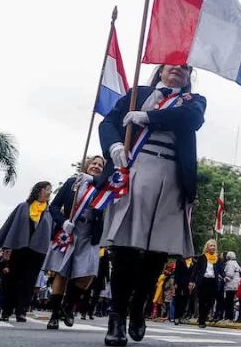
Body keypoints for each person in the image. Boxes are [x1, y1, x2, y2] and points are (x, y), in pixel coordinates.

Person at [98, 63, 207, 346]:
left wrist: (148, 117)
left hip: (172, 175)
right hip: (136, 169)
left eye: (185, 68)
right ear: (160, 70)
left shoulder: (193, 101)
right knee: (125, 249)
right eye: (173, 65)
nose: (178, 70)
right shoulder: (138, 93)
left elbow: (190, 119)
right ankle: (117, 314)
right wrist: (113, 146)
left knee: (157, 253)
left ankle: (139, 308)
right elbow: (108, 122)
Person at [44, 155, 105, 329]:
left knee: (88, 275)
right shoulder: (73, 182)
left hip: (90, 234)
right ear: (87, 165)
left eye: (100, 165)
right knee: (62, 273)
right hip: (69, 232)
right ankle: (55, 315)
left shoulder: (104, 187)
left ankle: (68, 306)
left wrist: (94, 180)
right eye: (94, 163)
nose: (96, 166)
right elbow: (54, 206)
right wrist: (63, 221)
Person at [0, 181, 54, 322]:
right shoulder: (23, 207)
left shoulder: (50, 211)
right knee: (12, 280)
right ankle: (6, 311)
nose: (49, 192)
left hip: (37, 252)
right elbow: (11, 226)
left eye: (50, 190)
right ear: (38, 190)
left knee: (29, 282)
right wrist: (7, 247)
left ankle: (22, 311)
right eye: (47, 189)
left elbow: (52, 232)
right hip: (19, 248)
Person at [190, 240, 223, 328]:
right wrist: (192, 281)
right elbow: (196, 270)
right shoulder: (202, 257)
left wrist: (221, 275)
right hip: (203, 281)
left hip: (213, 282)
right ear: (207, 247)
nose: (213, 247)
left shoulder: (218, 259)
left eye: (214, 246)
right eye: (211, 245)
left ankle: (204, 316)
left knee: (210, 302)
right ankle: (201, 320)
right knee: (202, 301)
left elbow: (221, 270)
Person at [173, 256, 193, 324]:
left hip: (188, 284)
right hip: (180, 283)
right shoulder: (180, 260)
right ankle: (176, 317)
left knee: (185, 300)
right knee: (178, 299)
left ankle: (181, 316)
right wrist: (175, 283)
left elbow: (193, 274)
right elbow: (176, 272)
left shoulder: (192, 261)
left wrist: (192, 282)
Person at [222, 251, 241, 321]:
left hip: (230, 285)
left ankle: (228, 317)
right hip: (236, 284)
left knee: (228, 301)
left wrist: (224, 279)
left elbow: (230, 274)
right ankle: (231, 317)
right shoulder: (236, 263)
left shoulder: (230, 264)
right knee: (232, 302)